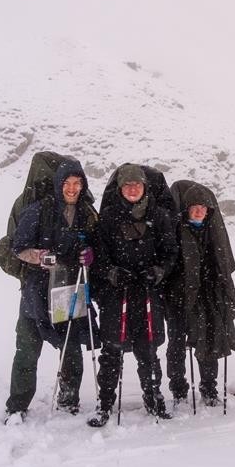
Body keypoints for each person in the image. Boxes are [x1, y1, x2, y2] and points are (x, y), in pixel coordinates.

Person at [5, 159, 97, 424]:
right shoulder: (38, 211)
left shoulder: (87, 214)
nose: (71, 188)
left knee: (70, 347)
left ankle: (69, 402)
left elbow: (96, 246)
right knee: (27, 348)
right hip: (36, 290)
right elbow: (18, 247)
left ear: (82, 185)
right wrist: (40, 257)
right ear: (58, 185)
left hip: (69, 287)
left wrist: (90, 256)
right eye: (67, 183)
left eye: (77, 183)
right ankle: (17, 406)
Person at [89, 164, 178, 426]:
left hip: (148, 294)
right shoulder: (106, 218)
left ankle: (154, 399)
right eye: (127, 185)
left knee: (148, 351)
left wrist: (159, 271)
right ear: (119, 189)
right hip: (117, 296)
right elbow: (99, 257)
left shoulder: (159, 217)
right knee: (112, 350)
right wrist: (112, 273)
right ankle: (104, 404)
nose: (132, 189)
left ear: (144, 187)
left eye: (137, 185)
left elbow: (170, 253)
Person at [164, 180, 235, 407]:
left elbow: (223, 265)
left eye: (203, 207)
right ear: (186, 209)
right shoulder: (175, 230)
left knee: (209, 342)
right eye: (194, 206)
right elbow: (167, 263)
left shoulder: (213, 233)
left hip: (207, 296)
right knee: (177, 344)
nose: (198, 211)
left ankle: (209, 388)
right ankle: (178, 390)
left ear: (209, 211)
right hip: (178, 297)